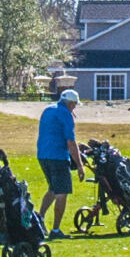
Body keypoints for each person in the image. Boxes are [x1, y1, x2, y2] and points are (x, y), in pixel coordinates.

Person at [36, 86, 80, 237]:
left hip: (43, 155)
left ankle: (39, 217)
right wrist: (80, 165)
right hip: (58, 156)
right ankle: (55, 230)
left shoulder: (48, 110)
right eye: (74, 105)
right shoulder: (65, 114)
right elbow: (70, 142)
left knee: (53, 188)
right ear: (71, 103)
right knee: (62, 192)